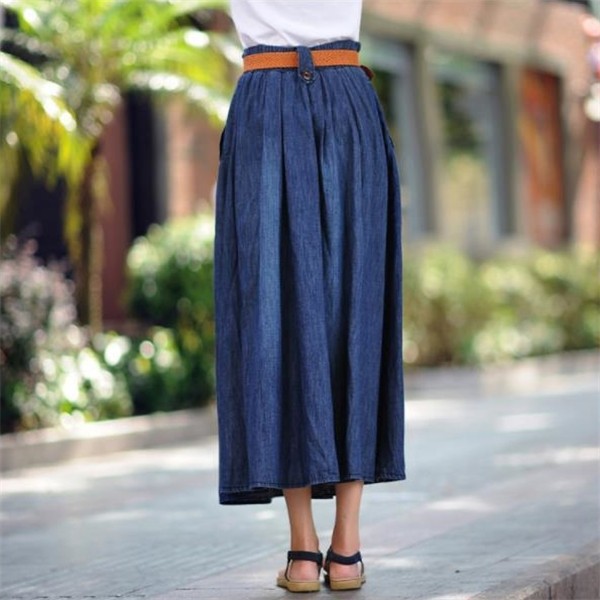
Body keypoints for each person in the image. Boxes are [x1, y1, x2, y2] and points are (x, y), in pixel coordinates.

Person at [213, 0, 405, 592]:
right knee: (357, 309)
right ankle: (346, 549)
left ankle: (303, 552)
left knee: (275, 314)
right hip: (346, 96)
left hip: (266, 100)